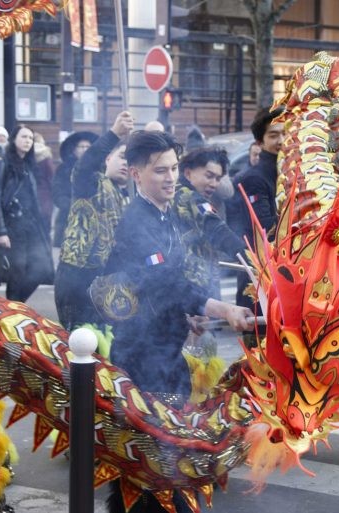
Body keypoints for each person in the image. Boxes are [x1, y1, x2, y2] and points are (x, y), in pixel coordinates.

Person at [98, 130, 253, 512]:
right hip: (141, 355)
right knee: (148, 457)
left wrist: (190, 315)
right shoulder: (137, 221)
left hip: (167, 350)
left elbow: (174, 282)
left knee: (163, 454)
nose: (169, 178)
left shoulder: (164, 214)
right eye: (158, 171)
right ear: (135, 174)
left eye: (172, 169)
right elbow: (166, 282)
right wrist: (222, 309)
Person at [54, 111, 134, 330]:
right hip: (77, 276)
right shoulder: (91, 182)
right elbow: (85, 165)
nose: (127, 164)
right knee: (81, 343)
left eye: (131, 161)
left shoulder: (127, 198)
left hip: (107, 280)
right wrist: (115, 133)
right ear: (107, 159)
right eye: (122, 157)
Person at [0, 124, 54, 302]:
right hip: (10, 227)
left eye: (30, 138)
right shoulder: (2, 162)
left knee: (42, 270)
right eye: (23, 137)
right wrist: (1, 232)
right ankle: (12, 310)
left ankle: (14, 306)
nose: (28, 141)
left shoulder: (28, 165)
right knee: (17, 273)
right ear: (13, 139)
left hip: (29, 227)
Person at [231, 107, 284, 312]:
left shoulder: (292, 173)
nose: (281, 140)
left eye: (286, 132)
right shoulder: (254, 179)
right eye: (274, 135)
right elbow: (266, 228)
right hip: (260, 276)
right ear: (260, 142)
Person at [175, 145, 244, 299]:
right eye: (209, 176)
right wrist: (250, 257)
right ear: (188, 173)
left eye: (218, 179)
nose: (214, 184)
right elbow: (218, 231)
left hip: (199, 288)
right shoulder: (188, 197)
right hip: (193, 293)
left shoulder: (179, 192)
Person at [52, 130, 97, 247]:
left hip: (93, 219)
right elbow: (57, 192)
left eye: (88, 146)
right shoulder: (63, 169)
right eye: (81, 146)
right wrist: (71, 206)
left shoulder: (98, 169)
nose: (85, 149)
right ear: (74, 149)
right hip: (68, 217)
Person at [32, 132, 55, 233]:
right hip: (44, 193)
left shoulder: (27, 154)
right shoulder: (46, 155)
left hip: (31, 192)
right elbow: (51, 175)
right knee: (45, 225)